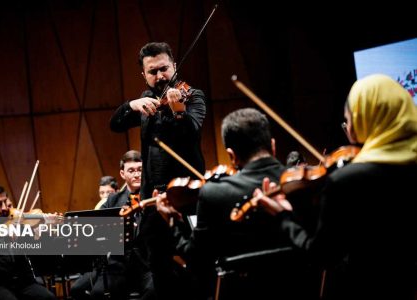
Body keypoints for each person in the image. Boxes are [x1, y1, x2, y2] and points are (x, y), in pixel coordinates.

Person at [255, 74, 417, 300]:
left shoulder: (347, 180)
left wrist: (284, 217)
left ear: (363, 121)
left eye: (348, 121)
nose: (348, 130)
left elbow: (322, 256)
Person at [155, 108, 320, 299]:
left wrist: (173, 222)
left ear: (231, 156)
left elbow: (197, 259)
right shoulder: (306, 184)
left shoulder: (213, 193)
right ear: (272, 146)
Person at [109, 42, 206, 299]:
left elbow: (193, 131)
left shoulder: (192, 96)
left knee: (196, 264)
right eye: (153, 71)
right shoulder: (147, 104)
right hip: (152, 199)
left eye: (164, 68)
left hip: (187, 198)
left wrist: (178, 111)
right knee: (159, 268)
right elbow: (115, 124)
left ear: (174, 65)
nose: (160, 76)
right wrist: (131, 105)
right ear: (144, 74)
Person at [70, 150, 155, 300]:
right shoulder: (112, 201)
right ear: (123, 174)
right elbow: (96, 229)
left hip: (146, 265)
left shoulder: (153, 197)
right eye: (131, 170)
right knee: (98, 294)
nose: (136, 174)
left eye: (140, 170)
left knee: (156, 290)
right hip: (118, 265)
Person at [0, 184, 56, 300]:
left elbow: (40, 249)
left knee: (48, 297)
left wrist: (45, 230)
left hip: (21, 283)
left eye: (5, 202)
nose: (4, 208)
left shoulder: (16, 224)